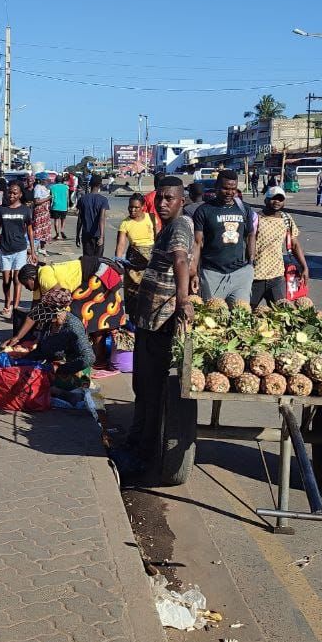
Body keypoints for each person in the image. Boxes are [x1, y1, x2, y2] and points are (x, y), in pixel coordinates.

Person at [113, 176, 194, 472]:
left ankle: (143, 453)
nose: (162, 203)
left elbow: (181, 260)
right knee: (142, 385)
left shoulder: (179, 226)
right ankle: (135, 442)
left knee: (149, 388)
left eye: (169, 198)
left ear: (181, 201)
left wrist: (183, 299)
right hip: (148, 320)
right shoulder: (166, 227)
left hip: (160, 322)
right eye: (159, 197)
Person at [192, 170, 256, 305]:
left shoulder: (244, 209)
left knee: (241, 313)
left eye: (233, 189)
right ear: (216, 186)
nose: (230, 192)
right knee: (213, 313)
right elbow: (197, 243)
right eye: (225, 188)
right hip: (212, 273)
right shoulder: (204, 210)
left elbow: (251, 234)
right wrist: (194, 272)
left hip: (240, 273)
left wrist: (251, 262)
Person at [22, 288, 96, 393]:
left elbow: (89, 357)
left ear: (56, 310)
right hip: (50, 369)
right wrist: (22, 361)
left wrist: (60, 369)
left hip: (71, 374)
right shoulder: (48, 322)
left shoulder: (73, 326)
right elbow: (42, 350)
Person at [250, 186, 308, 307]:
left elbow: (295, 244)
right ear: (266, 200)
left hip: (277, 276)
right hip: (255, 276)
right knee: (248, 311)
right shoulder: (255, 218)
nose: (277, 201)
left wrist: (304, 267)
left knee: (281, 312)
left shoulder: (286, 219)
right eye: (273, 198)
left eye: (280, 199)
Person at [0, 182, 34, 317]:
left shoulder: (25, 210)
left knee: (17, 279)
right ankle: (7, 302)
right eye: (10, 192)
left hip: (20, 248)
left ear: (20, 194)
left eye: (15, 193)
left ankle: (15, 307)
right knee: (6, 280)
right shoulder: (1, 210)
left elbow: (30, 230)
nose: (12, 195)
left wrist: (33, 250)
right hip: (4, 249)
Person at [115, 193, 157, 314]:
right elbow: (121, 245)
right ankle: (133, 320)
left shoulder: (151, 218)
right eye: (130, 207)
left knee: (149, 292)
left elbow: (158, 238)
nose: (132, 210)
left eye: (136, 207)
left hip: (151, 260)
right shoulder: (125, 223)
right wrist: (117, 264)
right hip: (134, 261)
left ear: (143, 207)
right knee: (132, 293)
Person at [74, 175, 110, 257]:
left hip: (86, 234)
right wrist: (101, 236)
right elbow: (101, 218)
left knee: (87, 260)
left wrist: (77, 235)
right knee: (98, 260)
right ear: (100, 185)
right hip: (98, 234)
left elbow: (80, 219)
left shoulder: (82, 199)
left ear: (90, 184)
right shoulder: (103, 200)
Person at [31, 175, 52, 255]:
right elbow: (36, 201)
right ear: (40, 180)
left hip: (45, 211)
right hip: (40, 211)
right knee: (38, 229)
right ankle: (35, 248)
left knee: (44, 230)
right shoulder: (38, 188)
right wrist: (48, 198)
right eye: (45, 179)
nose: (47, 181)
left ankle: (42, 248)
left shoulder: (44, 187)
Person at [49, 174, 70, 241]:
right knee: (63, 219)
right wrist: (68, 206)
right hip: (64, 206)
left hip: (55, 206)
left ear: (56, 180)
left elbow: (51, 197)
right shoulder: (66, 187)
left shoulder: (52, 187)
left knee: (56, 220)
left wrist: (50, 206)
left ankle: (57, 234)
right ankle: (62, 230)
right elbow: (67, 198)